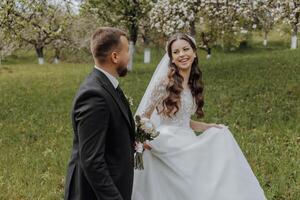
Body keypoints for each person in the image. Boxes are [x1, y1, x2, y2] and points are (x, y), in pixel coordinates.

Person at [132, 33, 266, 200]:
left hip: (186, 139)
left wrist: (209, 127)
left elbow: (184, 121)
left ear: (194, 53)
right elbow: (143, 117)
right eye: (176, 52)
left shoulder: (192, 84)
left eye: (186, 49)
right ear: (171, 58)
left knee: (221, 135)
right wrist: (144, 140)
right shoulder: (164, 84)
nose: (182, 55)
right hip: (167, 142)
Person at [64, 27, 135, 200]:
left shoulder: (107, 84)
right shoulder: (95, 96)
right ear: (115, 57)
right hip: (94, 193)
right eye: (127, 51)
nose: (129, 56)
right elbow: (92, 162)